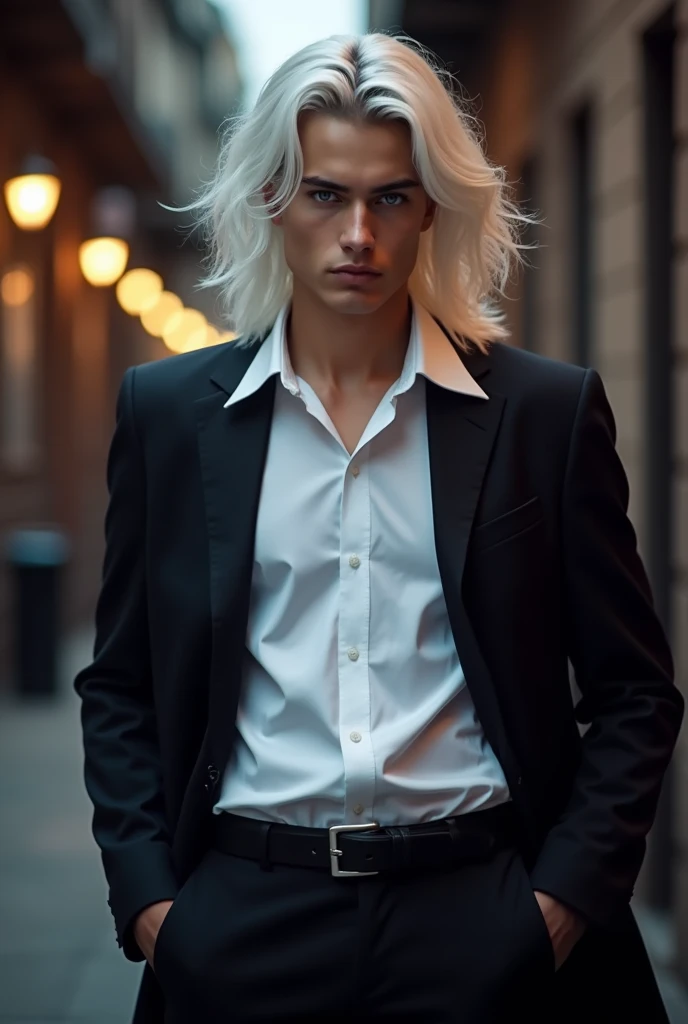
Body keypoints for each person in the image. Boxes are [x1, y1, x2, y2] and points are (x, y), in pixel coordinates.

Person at [75, 31, 684, 1024]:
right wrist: (153, 906)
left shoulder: (543, 413)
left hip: (483, 911)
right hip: (243, 918)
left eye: (389, 197)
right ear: (274, 201)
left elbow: (634, 693)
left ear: (431, 210)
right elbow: (119, 683)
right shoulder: (167, 414)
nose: (356, 232)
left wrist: (560, 905)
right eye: (325, 194)